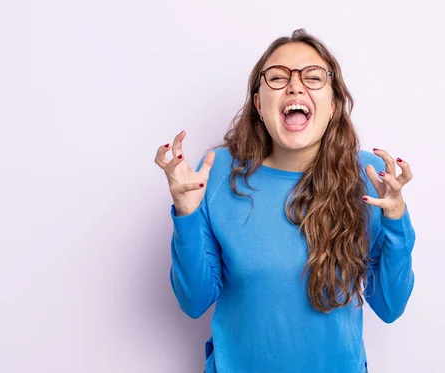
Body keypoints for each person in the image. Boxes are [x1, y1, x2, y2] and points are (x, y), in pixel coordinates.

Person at [154, 28, 415, 373]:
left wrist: (397, 219)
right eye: (277, 77)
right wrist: (186, 213)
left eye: (313, 77)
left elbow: (390, 305)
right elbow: (194, 300)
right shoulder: (215, 174)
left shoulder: (368, 176)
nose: (294, 86)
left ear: (333, 104)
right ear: (259, 104)